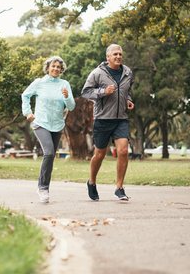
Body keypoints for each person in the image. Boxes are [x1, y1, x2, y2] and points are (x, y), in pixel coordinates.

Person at [81, 44, 134, 201]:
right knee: (100, 155)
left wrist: (129, 99)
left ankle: (119, 188)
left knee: (123, 151)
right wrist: (103, 92)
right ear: (108, 56)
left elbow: (127, 89)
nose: (118, 56)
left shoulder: (127, 72)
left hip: (121, 119)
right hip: (103, 120)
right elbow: (86, 92)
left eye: (120, 54)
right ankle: (91, 182)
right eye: (115, 54)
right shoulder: (97, 73)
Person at [22, 56, 75, 203]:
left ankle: (43, 186)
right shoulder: (39, 83)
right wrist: (28, 112)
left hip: (57, 125)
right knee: (49, 152)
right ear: (48, 68)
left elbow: (71, 106)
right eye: (53, 66)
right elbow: (25, 95)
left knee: (50, 157)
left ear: (61, 69)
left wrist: (67, 97)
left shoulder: (65, 84)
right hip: (41, 123)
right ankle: (43, 188)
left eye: (58, 67)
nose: (56, 69)